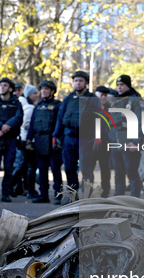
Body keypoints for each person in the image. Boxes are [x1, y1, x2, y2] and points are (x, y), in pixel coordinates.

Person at [53, 71, 101, 200]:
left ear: (85, 83)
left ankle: (88, 197)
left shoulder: (93, 99)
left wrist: (98, 136)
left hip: (86, 138)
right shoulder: (68, 99)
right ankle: (73, 196)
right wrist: (56, 135)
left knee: (86, 169)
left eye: (80, 81)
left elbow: (99, 118)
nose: (78, 83)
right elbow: (60, 117)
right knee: (69, 168)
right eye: (75, 81)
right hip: (69, 137)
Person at [26, 80, 63, 204]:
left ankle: (58, 195)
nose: (43, 91)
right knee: (42, 170)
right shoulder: (38, 106)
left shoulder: (58, 105)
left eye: (46, 89)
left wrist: (59, 139)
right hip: (40, 141)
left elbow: (60, 124)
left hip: (52, 142)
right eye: (42, 89)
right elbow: (32, 124)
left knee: (55, 170)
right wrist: (29, 139)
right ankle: (44, 195)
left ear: (52, 91)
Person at [110, 75, 144, 198]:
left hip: (130, 141)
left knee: (131, 172)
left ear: (128, 85)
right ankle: (118, 201)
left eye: (122, 85)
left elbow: (141, 122)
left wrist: (136, 142)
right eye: (118, 85)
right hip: (116, 142)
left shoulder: (135, 100)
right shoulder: (117, 101)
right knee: (118, 173)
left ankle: (135, 202)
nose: (119, 87)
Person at [12, 84, 39, 198]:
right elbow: (27, 125)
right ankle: (14, 186)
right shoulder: (29, 108)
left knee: (23, 165)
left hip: (23, 139)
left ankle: (18, 187)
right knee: (24, 165)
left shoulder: (25, 106)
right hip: (25, 140)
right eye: (34, 93)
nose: (37, 95)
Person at [93, 85, 112, 197]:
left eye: (105, 95)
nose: (103, 97)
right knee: (88, 170)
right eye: (101, 95)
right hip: (91, 143)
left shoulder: (110, 108)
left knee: (105, 169)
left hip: (105, 143)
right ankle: (88, 193)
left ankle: (105, 193)